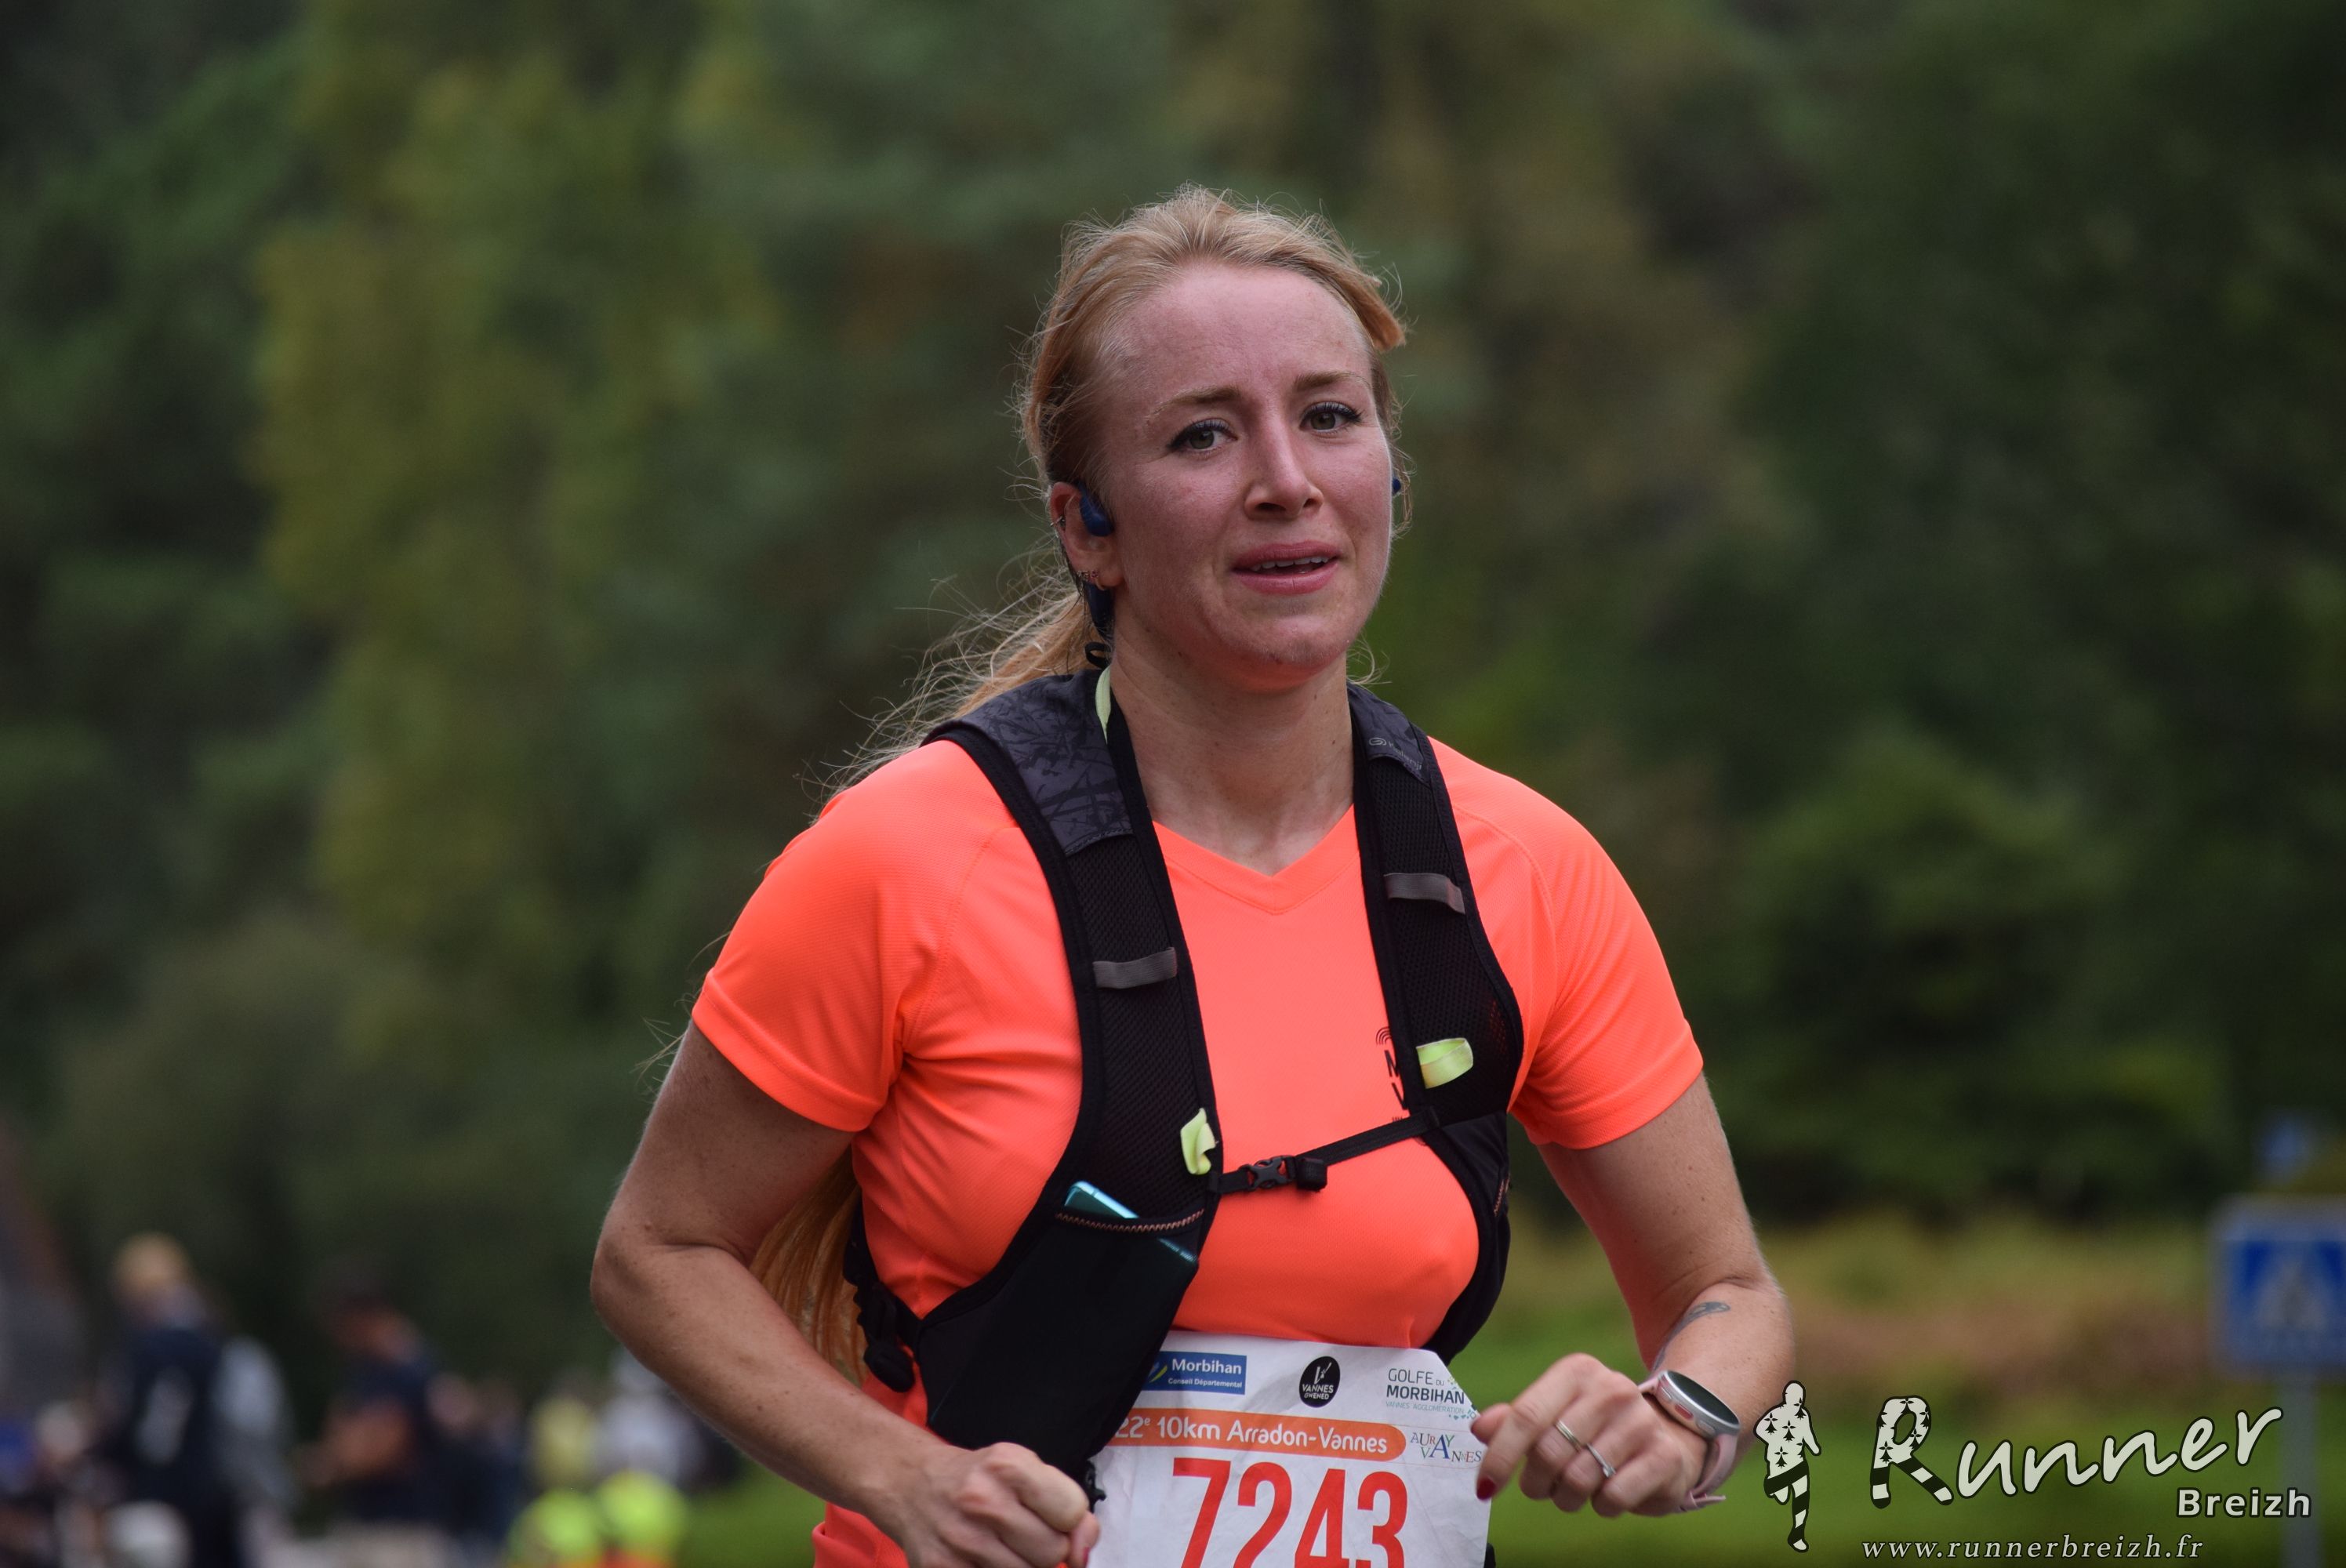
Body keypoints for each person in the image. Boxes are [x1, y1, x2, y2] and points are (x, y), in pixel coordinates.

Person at [592, 186, 1795, 1568]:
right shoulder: (906, 856)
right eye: (1203, 435)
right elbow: (657, 1252)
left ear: (1390, 474)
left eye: (1330, 416)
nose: (1285, 479)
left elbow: (1728, 1295)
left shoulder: (1522, 868)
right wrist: (901, 1479)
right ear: (1087, 527)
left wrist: (1680, 1416)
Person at [92, 1238, 238, 1568]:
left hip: (168, 1494)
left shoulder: (157, 1348)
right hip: (211, 1486)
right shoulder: (209, 1339)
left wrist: (106, 1452)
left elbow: (155, 1435)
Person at [307, 1276, 447, 1568]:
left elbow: (386, 1449)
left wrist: (334, 1464)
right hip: (367, 1524)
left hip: (400, 1531)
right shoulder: (364, 1369)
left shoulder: (406, 1367)